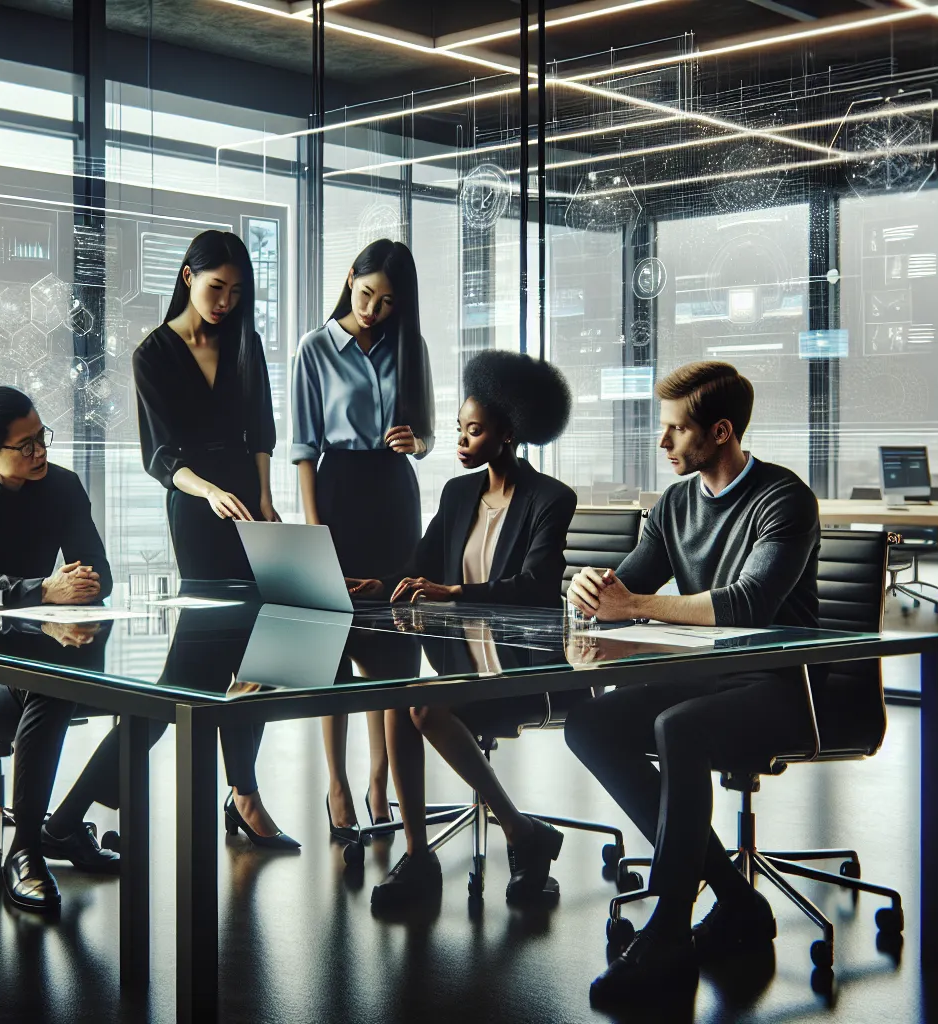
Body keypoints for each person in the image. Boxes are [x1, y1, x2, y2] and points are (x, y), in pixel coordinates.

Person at [560, 361, 820, 1006]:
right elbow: (625, 587)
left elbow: (749, 603)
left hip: (780, 686)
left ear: (721, 432)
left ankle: (669, 932)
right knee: (591, 723)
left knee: (679, 727)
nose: (663, 442)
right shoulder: (675, 503)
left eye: (676, 430)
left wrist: (637, 605)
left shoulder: (784, 499)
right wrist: (589, 587)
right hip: (705, 677)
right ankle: (735, 899)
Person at [346, 349, 580, 910]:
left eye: (474, 431)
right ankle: (422, 856)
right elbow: (418, 565)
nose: (462, 440)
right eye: (459, 428)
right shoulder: (457, 494)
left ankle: (520, 831)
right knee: (405, 697)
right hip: (463, 665)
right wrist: (377, 585)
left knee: (421, 705)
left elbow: (535, 588)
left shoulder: (550, 499)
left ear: (508, 433)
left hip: (527, 670)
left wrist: (455, 593)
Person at [0, 385, 129, 913]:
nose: (40, 451)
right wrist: (42, 591)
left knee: (149, 698)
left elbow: (99, 571)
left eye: (42, 436)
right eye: (25, 445)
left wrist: (83, 581)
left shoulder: (62, 486)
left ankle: (63, 825)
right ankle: (27, 851)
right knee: (51, 686)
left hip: (53, 645)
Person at [132, 229, 291, 848]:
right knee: (193, 676)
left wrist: (265, 497)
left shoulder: (244, 341)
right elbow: (160, 454)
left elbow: (261, 430)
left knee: (258, 658)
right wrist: (209, 493)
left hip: (249, 508)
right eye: (215, 287)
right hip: (198, 513)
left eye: (236, 291)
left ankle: (243, 795)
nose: (225, 301)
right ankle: (67, 815)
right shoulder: (153, 353)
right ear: (186, 276)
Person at [289, 238, 435, 846]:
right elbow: (303, 449)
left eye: (387, 301)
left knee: (394, 652)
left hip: (395, 496)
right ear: (350, 278)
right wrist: (316, 532)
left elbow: (426, 433)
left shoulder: (410, 343)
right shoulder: (314, 348)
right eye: (366, 292)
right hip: (340, 492)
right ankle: (339, 788)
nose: (373, 309)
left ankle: (381, 783)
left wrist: (418, 445)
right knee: (333, 653)